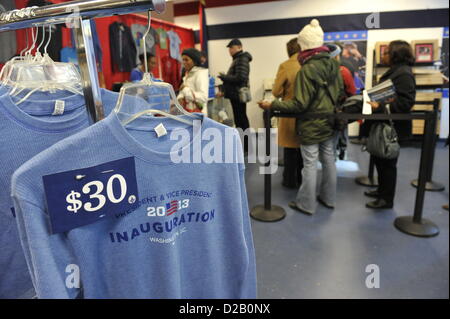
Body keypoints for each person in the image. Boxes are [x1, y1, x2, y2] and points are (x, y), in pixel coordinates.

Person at [259, 19, 343, 215]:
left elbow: (300, 104)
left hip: (311, 123)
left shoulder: (307, 69)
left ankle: (307, 204)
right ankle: (329, 198)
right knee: (329, 160)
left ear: (304, 45)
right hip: (329, 121)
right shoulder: (333, 65)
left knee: (310, 163)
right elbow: (339, 94)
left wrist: (273, 104)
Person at [365, 40, 416, 209]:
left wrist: (380, 105)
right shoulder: (396, 72)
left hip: (393, 127)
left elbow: (406, 103)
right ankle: (381, 191)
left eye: (386, 52)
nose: (383, 55)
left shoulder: (403, 74)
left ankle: (386, 199)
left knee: (388, 164)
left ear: (395, 54)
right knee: (380, 160)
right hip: (385, 124)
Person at [272, 38, 303, 189]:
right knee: (304, 149)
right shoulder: (309, 64)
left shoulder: (286, 66)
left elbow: (276, 91)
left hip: (289, 111)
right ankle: (302, 179)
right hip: (307, 113)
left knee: (290, 149)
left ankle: (290, 180)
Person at [218, 39, 252, 134]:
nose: (230, 50)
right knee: (240, 120)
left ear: (239, 47)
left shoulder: (242, 59)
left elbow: (241, 78)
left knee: (241, 120)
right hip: (236, 95)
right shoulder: (238, 59)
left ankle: (245, 145)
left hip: (238, 95)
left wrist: (224, 77)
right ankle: (244, 144)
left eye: (232, 48)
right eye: (229, 48)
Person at [177, 48, 209, 113]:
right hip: (188, 112)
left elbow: (203, 97)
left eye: (186, 60)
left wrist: (185, 89)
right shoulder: (188, 73)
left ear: (195, 61)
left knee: (197, 123)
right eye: (183, 60)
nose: (184, 62)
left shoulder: (200, 74)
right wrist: (180, 97)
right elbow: (184, 91)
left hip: (198, 114)